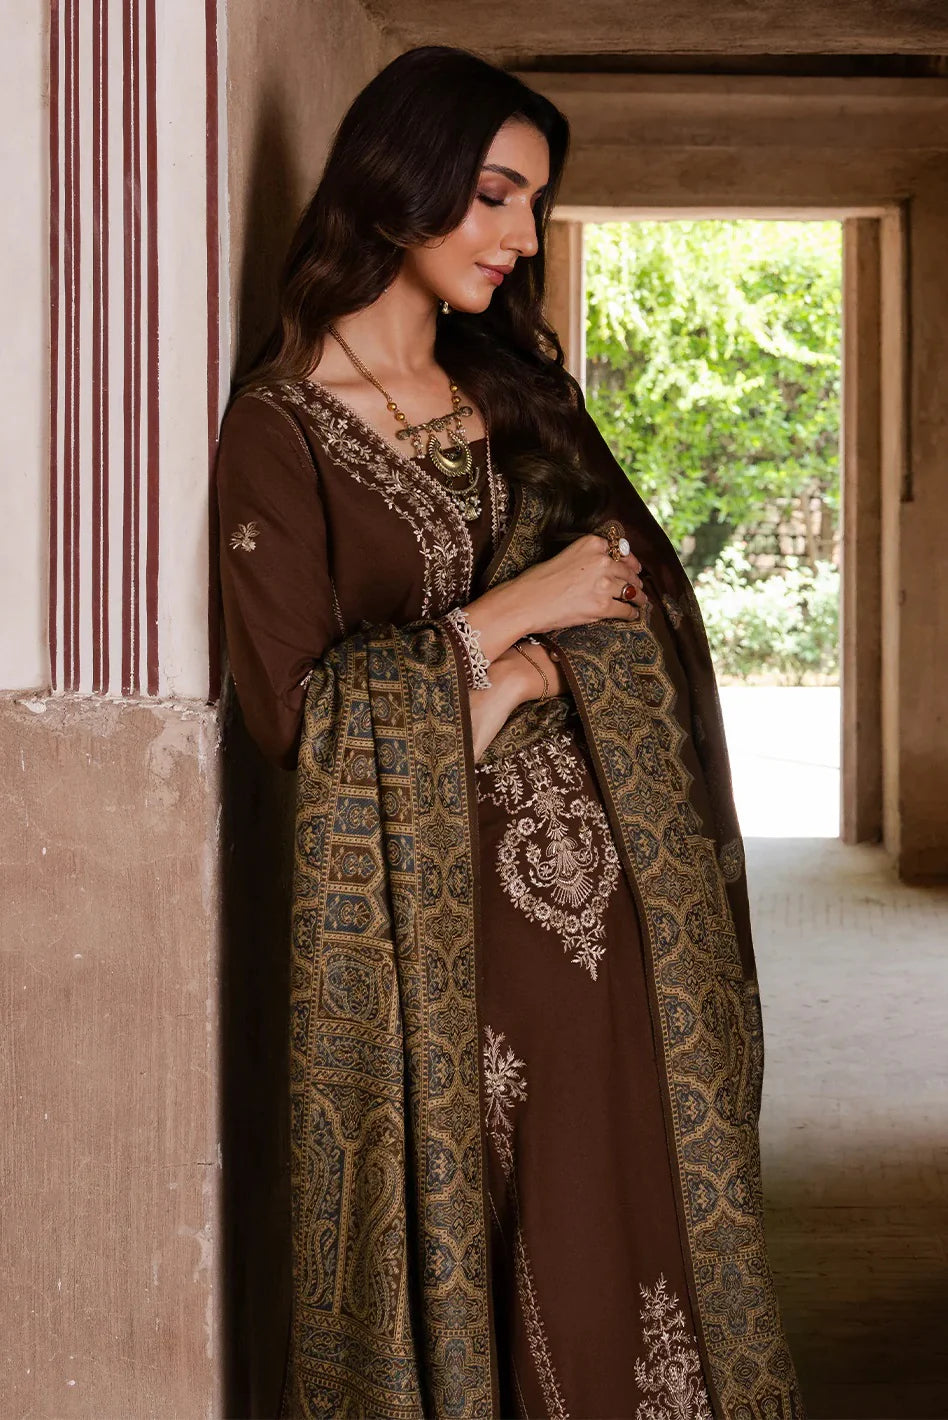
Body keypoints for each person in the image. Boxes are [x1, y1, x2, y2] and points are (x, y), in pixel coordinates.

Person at [216, 44, 806, 1420]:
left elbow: (633, 598)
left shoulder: (515, 398)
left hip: (627, 923)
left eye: (534, 203)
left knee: (630, 1230)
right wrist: (507, 635)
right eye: (493, 195)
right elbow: (300, 724)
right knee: (527, 1250)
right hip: (452, 948)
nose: (522, 236)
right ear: (398, 182)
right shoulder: (279, 434)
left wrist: (538, 666)